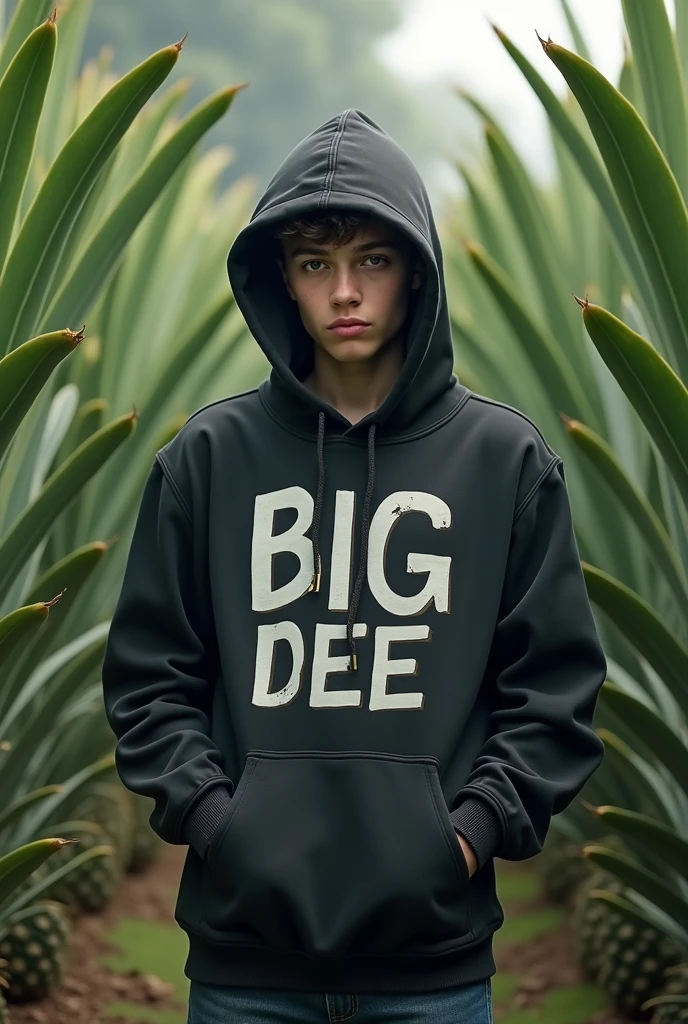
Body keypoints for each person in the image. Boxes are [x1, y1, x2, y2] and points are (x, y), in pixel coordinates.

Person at [101, 108, 607, 1024]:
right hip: (246, 964)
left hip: (435, 967)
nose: (344, 292)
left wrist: (463, 837)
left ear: (415, 272)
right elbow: (148, 681)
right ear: (281, 282)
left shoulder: (503, 462)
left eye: (372, 260)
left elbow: (554, 689)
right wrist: (223, 826)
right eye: (314, 264)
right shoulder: (208, 460)